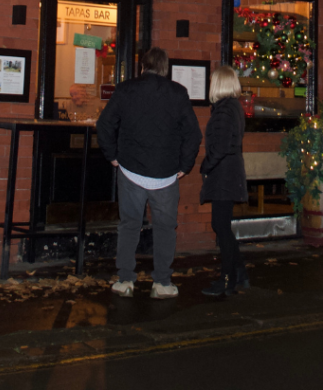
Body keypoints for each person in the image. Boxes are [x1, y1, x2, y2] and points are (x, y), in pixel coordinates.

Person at [96, 46, 202, 299]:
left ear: (142, 66)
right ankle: (162, 283)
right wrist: (184, 167)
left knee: (129, 226)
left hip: (131, 171)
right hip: (166, 175)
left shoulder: (125, 90)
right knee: (165, 228)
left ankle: (125, 280)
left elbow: (105, 124)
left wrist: (112, 156)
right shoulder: (178, 93)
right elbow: (193, 134)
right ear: (165, 70)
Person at [199, 65, 250, 297]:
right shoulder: (233, 107)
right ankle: (238, 272)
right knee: (222, 226)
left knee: (220, 226)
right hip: (230, 172)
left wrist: (205, 166)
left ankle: (227, 279)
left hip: (223, 174)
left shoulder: (223, 110)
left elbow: (219, 147)